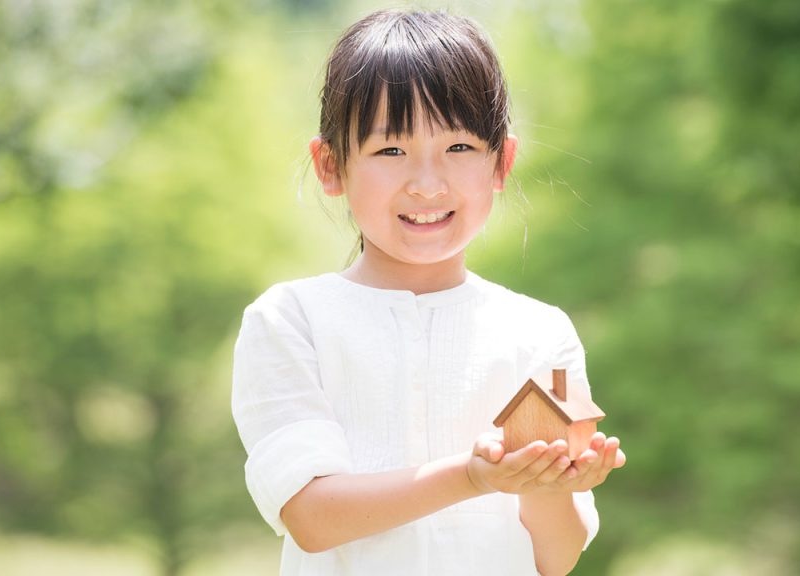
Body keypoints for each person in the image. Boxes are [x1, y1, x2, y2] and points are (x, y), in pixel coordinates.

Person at [232, 9, 626, 576]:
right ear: (331, 165)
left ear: (502, 162)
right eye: (390, 151)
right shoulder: (291, 320)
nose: (427, 182)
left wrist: (549, 480)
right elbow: (312, 518)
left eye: (460, 148)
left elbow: (555, 557)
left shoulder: (541, 334)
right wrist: (473, 476)